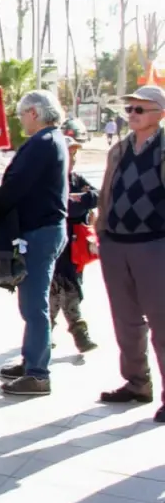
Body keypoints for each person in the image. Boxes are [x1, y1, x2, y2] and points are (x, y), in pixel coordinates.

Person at [95, 85, 165, 418]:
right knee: (126, 322)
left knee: (162, 322)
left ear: (160, 114)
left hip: (155, 245)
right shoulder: (120, 149)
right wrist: (103, 233)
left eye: (140, 109)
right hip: (116, 245)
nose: (132, 115)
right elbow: (107, 190)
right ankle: (137, 383)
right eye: (130, 110)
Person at [0, 90, 69, 396]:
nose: (21, 120)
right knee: (30, 301)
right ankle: (30, 361)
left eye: (22, 114)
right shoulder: (52, 140)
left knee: (34, 303)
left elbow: (15, 185)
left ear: (34, 113)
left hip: (41, 231)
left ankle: (38, 373)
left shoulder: (43, 142)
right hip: (44, 229)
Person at [50, 137, 99, 354]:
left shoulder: (76, 180)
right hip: (51, 247)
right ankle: (45, 334)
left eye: (74, 154)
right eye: (68, 153)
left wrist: (81, 200)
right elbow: (66, 207)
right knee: (50, 295)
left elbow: (96, 196)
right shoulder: (48, 180)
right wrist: (79, 202)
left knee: (72, 290)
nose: (72, 158)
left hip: (74, 250)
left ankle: (79, 334)